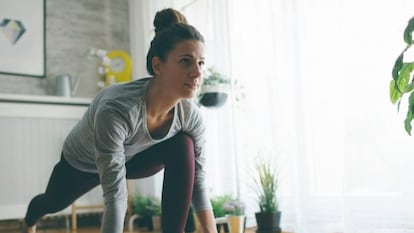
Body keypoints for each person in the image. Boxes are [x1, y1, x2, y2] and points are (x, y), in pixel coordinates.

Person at [23, 8, 218, 233]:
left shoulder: (190, 115)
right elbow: (116, 198)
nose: (197, 72)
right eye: (186, 61)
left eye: (201, 63)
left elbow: (199, 185)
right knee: (51, 202)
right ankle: (29, 220)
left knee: (183, 144)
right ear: (158, 66)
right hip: (83, 163)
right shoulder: (117, 109)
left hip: (132, 159)